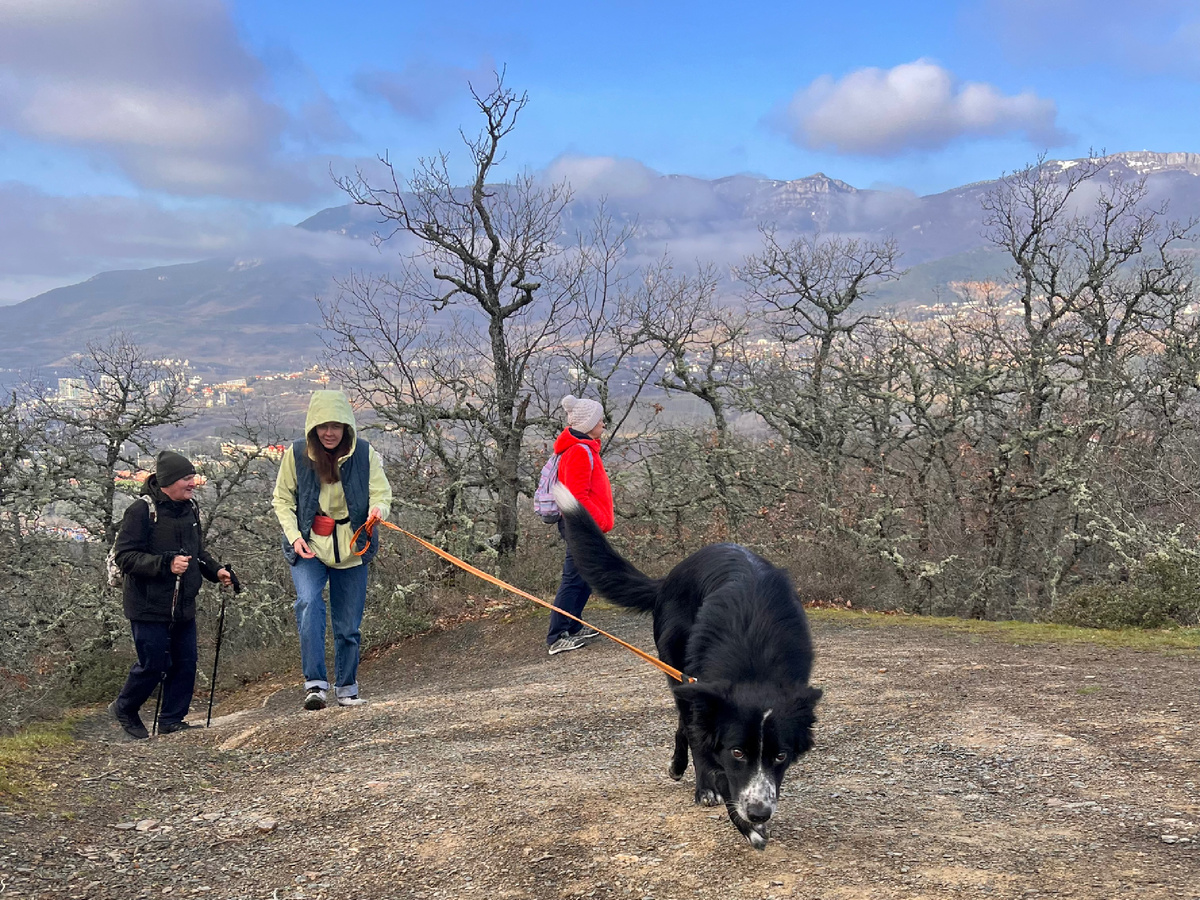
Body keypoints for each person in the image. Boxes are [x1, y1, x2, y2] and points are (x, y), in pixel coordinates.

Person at [272, 390, 392, 710]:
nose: (329, 432)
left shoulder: (365, 454)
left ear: (346, 428)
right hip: (309, 544)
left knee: (348, 624)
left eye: (336, 426)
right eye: (323, 426)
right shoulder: (296, 455)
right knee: (309, 604)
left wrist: (378, 509)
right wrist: (294, 535)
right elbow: (282, 500)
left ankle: (347, 687)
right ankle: (315, 685)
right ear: (313, 427)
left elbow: (381, 492)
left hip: (353, 546)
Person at [109, 450, 234, 740]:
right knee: (153, 664)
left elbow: (196, 552)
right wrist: (165, 565)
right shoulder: (141, 511)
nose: (193, 483)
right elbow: (125, 557)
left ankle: (171, 720)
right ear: (167, 482)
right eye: (187, 479)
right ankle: (125, 707)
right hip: (147, 604)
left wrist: (216, 572)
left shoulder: (190, 508)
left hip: (183, 604)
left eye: (192, 477)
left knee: (185, 662)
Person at [547, 394, 614, 656]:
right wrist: (598, 520)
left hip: (584, 524)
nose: (603, 424)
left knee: (586, 576)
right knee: (574, 579)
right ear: (588, 424)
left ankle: (573, 626)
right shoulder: (578, 451)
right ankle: (556, 635)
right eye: (600, 420)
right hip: (581, 525)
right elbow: (576, 497)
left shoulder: (584, 448)